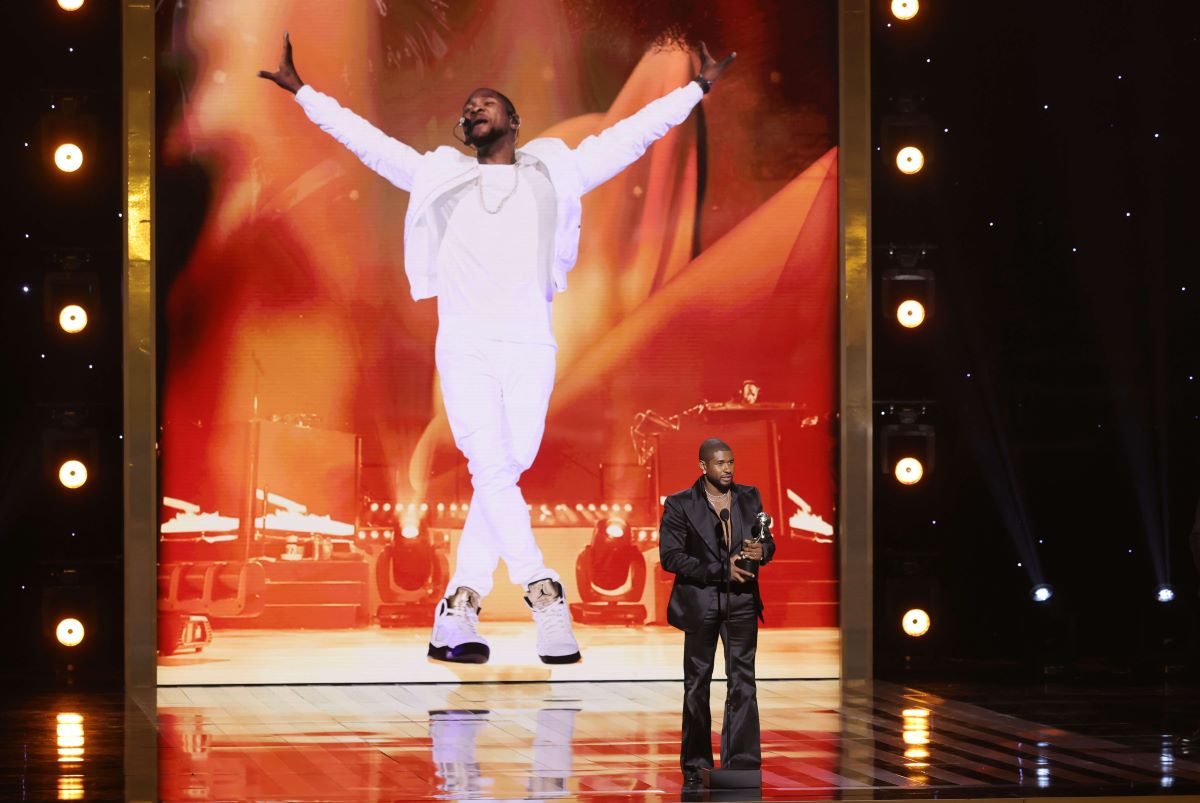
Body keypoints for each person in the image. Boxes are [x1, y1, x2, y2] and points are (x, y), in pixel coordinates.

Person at [258, 34, 737, 665]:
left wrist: (694, 90)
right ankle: (546, 598)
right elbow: (369, 143)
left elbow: (629, 138)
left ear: (514, 121)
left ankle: (456, 613)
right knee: (491, 467)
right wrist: (305, 94)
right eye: (468, 106)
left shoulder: (555, 168)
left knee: (501, 474)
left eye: (488, 102)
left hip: (531, 348)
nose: (475, 108)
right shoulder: (439, 175)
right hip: (466, 349)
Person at [659, 437, 776, 786]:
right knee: (697, 685)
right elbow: (671, 557)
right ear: (703, 466)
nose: (728, 469)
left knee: (744, 682)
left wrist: (762, 552)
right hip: (701, 602)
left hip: (741, 600)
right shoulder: (680, 504)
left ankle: (741, 765)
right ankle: (696, 766)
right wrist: (719, 569)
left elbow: (765, 540)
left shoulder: (748, 496)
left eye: (731, 462)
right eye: (720, 463)